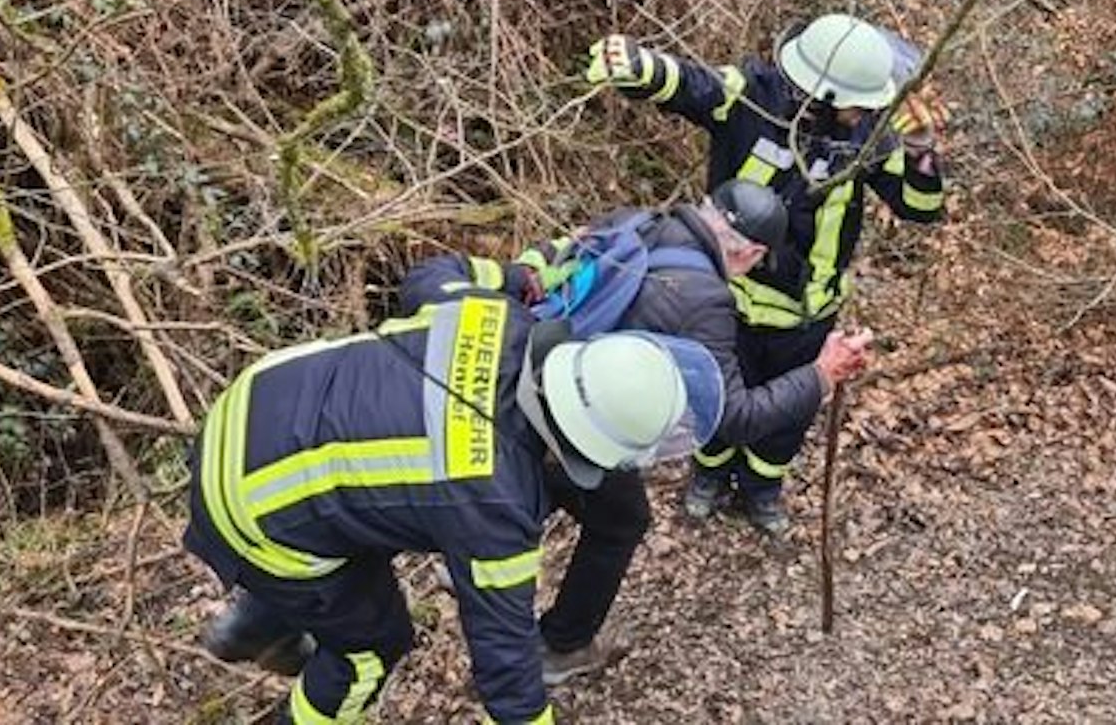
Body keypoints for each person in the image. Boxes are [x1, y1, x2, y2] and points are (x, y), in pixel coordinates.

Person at [185, 270, 723, 725]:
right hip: (250, 507)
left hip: (256, 402)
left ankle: (259, 623)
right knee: (370, 649)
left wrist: (511, 276)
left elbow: (426, 276)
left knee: (366, 514)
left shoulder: (501, 317)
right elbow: (506, 663)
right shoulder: (493, 508)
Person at [412, 179, 871, 685]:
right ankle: (562, 646)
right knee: (621, 519)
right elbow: (734, 417)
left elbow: (553, 256)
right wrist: (822, 374)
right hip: (570, 419)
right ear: (753, 253)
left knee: (519, 491)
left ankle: (469, 562)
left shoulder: (635, 220)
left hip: (513, 376)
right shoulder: (706, 302)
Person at [583, 13, 947, 535]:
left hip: (807, 310)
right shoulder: (754, 96)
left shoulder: (870, 133)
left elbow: (920, 207)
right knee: (713, 398)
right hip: (728, 301)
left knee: (787, 415)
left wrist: (920, 148)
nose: (864, 110)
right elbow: (696, 84)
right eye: (855, 102)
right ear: (818, 93)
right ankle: (708, 475)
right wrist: (641, 68)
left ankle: (762, 489)